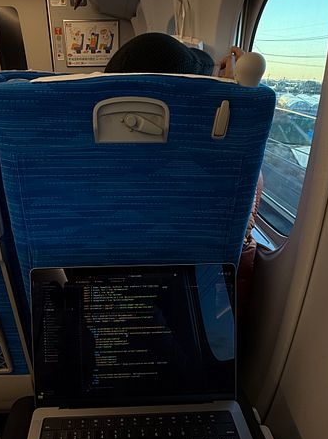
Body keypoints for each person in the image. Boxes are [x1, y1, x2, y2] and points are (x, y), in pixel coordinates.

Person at [104, 33, 263, 317]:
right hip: (199, 305)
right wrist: (234, 100)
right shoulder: (218, 170)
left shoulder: (84, 166)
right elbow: (247, 205)